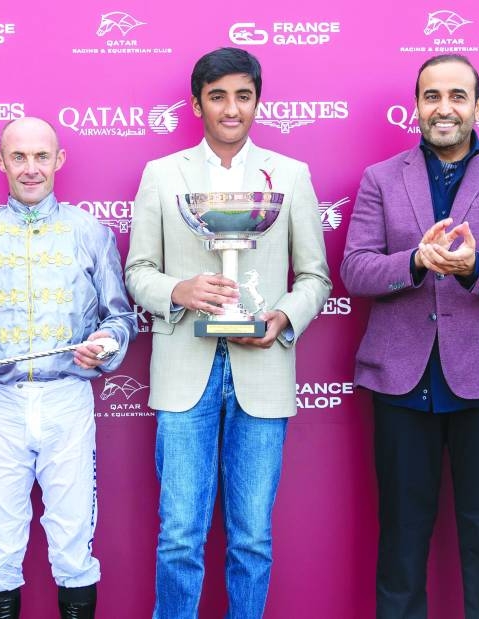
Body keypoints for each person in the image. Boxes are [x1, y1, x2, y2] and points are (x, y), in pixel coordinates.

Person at [125, 47, 331, 619]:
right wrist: (178, 291)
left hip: (261, 372)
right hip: (183, 372)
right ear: (197, 104)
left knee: (251, 540)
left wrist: (283, 318)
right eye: (218, 96)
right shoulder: (162, 176)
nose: (231, 108)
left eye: (243, 95)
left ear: (257, 101)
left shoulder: (290, 176)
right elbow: (137, 272)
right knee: (179, 537)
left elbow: (315, 275)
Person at [340, 54, 479, 619]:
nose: (445, 107)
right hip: (402, 382)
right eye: (432, 96)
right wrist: (413, 261)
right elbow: (355, 269)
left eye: (458, 95)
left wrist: (474, 268)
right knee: (402, 539)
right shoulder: (381, 178)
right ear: (417, 107)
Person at [0, 116, 136, 618]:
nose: (30, 168)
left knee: (73, 547)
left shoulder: (91, 233)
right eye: (18, 157)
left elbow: (121, 316)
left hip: (68, 399)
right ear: (1, 162)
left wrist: (107, 344)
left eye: (41, 156)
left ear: (58, 160)